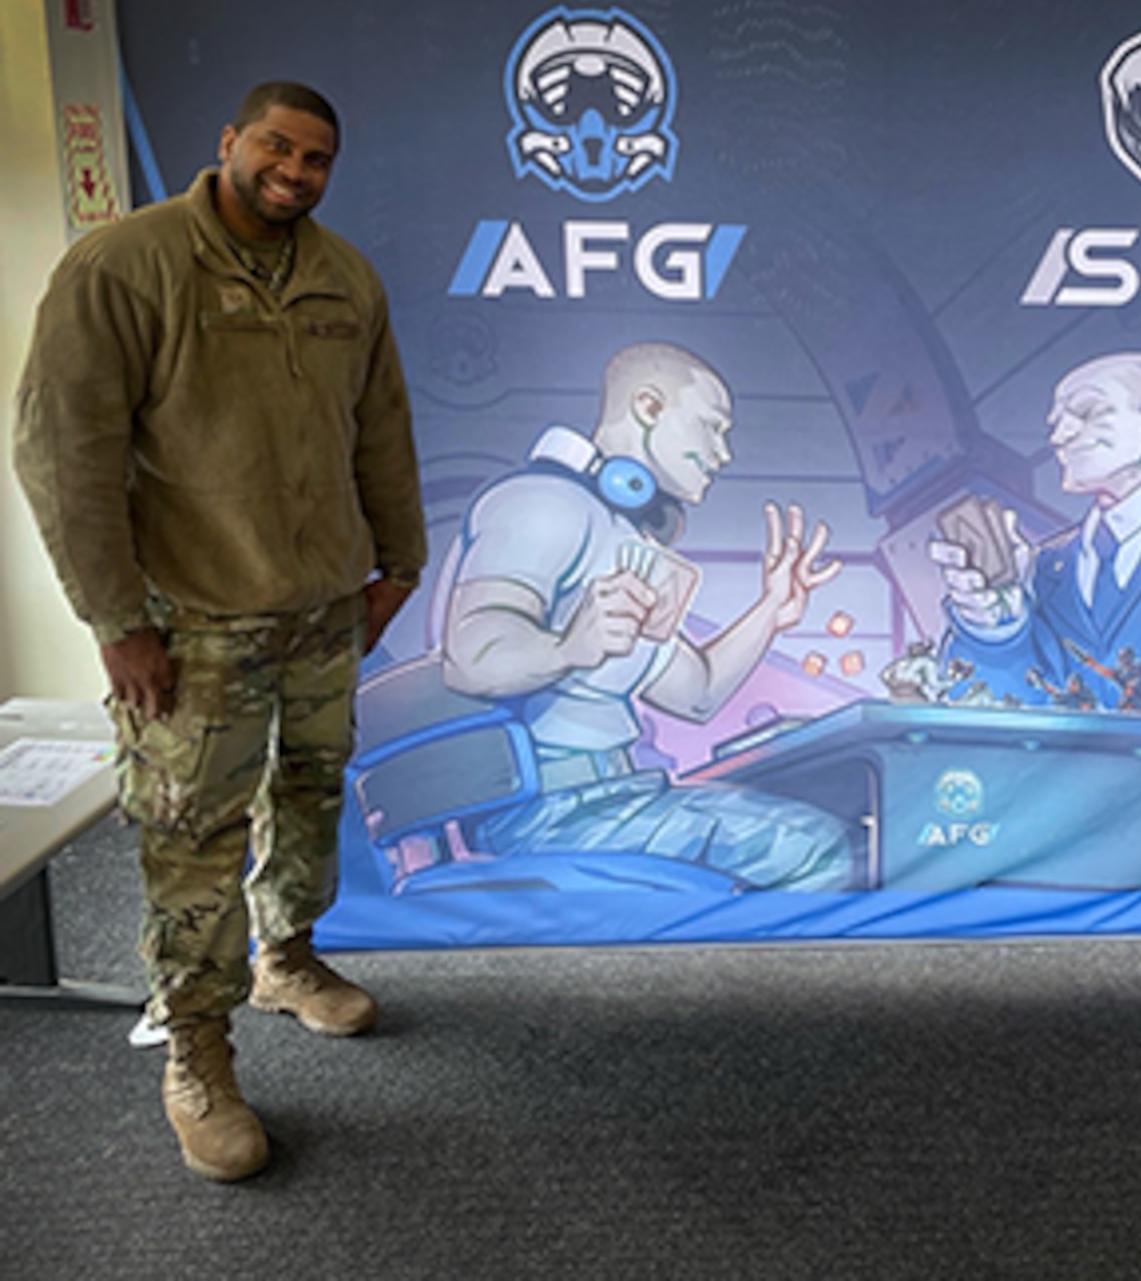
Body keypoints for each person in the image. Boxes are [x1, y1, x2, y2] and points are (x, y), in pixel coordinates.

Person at [12, 82, 427, 1182]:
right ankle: (195, 1049)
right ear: (229, 141)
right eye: (277, 149)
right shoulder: (125, 267)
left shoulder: (345, 277)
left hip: (323, 609)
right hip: (190, 623)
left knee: (310, 795)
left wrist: (401, 564)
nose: (295, 172)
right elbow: (65, 458)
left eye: (318, 158)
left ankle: (286, 957)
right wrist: (115, 622)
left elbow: (381, 428)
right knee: (191, 835)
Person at [432, 342, 856, 890]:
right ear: (649, 408)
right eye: (712, 428)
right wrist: (567, 647)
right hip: (544, 816)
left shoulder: (619, 537)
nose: (723, 453)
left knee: (804, 832)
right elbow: (472, 656)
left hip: (610, 799)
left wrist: (772, 610)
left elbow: (695, 694)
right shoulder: (543, 505)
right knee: (811, 850)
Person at [930, 350, 1141, 719]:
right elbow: (1003, 709)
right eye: (1055, 424)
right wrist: (993, 630)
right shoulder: (1048, 567)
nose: (1060, 436)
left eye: (1087, 413)